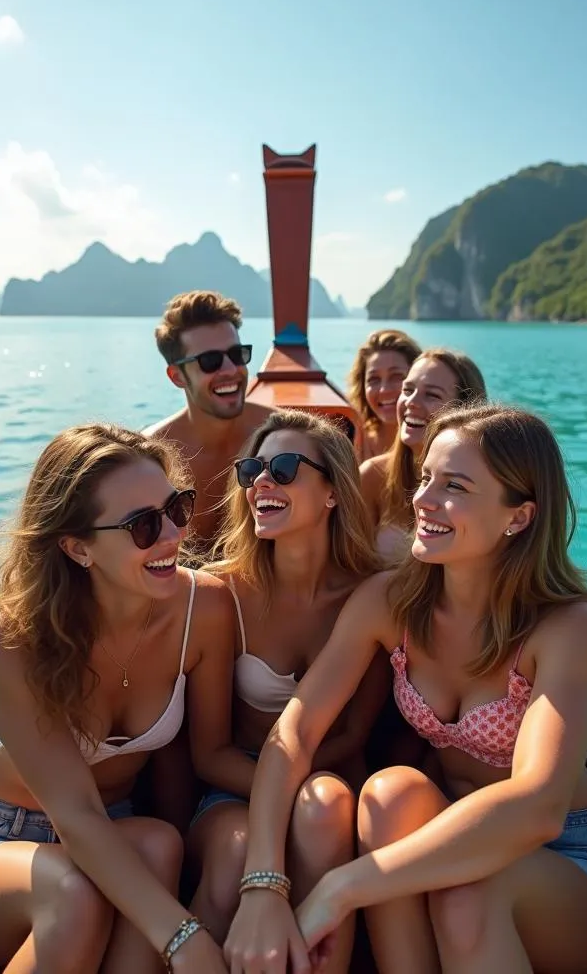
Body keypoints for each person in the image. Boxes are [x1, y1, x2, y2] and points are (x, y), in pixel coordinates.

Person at [224, 402, 587, 974]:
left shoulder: (565, 624)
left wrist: (340, 888)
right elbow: (294, 733)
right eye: (425, 479)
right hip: (451, 835)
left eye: (455, 486)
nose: (422, 500)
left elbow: (539, 806)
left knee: (468, 895)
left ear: (517, 518)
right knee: (389, 793)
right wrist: (263, 884)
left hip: (564, 859)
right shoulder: (388, 601)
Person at [0, 423, 237, 973]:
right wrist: (187, 937)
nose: (171, 536)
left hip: (114, 828)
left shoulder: (202, 610)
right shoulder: (15, 638)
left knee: (160, 844)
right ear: (77, 547)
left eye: (176, 509)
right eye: (142, 525)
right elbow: (75, 813)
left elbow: (203, 756)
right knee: (73, 892)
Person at [187, 409, 386, 971]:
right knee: (231, 855)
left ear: (332, 493)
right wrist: (279, 797)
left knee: (323, 807)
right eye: (252, 469)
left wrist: (300, 798)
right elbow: (208, 753)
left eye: (283, 466)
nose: (261, 482)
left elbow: (351, 735)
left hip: (329, 782)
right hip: (233, 785)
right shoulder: (221, 593)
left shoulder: (368, 597)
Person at [146, 290, 273, 561]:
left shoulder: (275, 436)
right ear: (177, 376)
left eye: (237, 355)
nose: (230, 370)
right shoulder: (154, 458)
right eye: (210, 361)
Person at [360, 347, 486, 560]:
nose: (411, 402)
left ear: (464, 411)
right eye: (408, 390)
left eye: (431, 395)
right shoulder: (372, 476)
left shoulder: (482, 485)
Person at [346, 328, 422, 463]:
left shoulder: (435, 445)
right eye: (374, 379)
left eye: (397, 376)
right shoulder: (349, 441)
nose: (384, 389)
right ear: (362, 387)